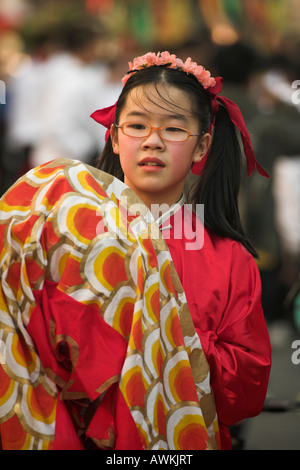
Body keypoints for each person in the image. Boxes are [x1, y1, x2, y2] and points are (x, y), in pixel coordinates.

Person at [0, 51, 271, 451]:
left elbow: (247, 386)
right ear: (113, 137)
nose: (153, 141)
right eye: (137, 125)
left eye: (174, 129)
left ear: (202, 147)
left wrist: (162, 333)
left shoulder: (230, 257)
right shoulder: (61, 229)